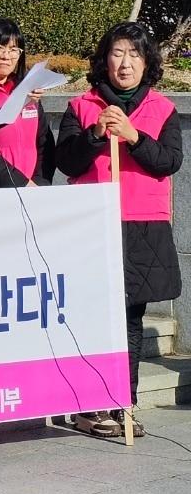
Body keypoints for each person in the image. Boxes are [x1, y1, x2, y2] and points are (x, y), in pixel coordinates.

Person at [56, 22, 183, 439]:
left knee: (130, 318)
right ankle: (89, 406)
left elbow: (168, 162)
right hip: (92, 222)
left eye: (134, 54)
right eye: (117, 53)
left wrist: (133, 136)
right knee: (92, 315)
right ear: (103, 60)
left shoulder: (162, 109)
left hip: (141, 224)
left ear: (147, 63)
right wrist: (96, 134)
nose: (124, 63)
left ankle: (122, 403)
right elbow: (68, 163)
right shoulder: (81, 106)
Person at [0, 17, 54, 188]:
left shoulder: (28, 89)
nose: (6, 56)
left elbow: (44, 142)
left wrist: (40, 182)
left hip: (33, 188)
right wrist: (18, 183)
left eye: (14, 49)